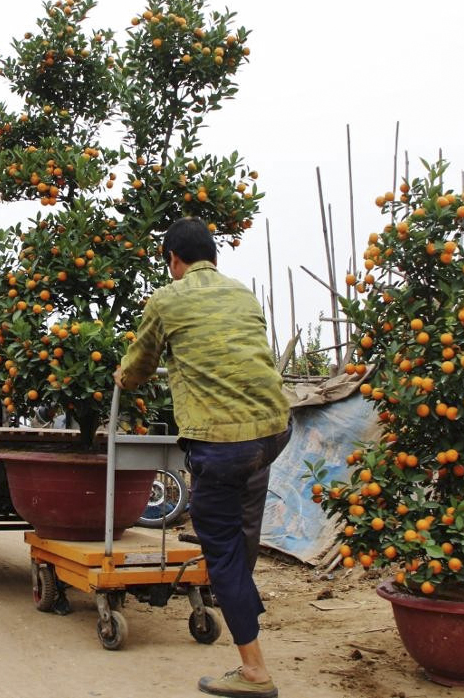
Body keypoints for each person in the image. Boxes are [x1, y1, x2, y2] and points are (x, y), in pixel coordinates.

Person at [114, 217, 291, 698]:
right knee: (240, 526)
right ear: (215, 256)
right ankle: (243, 595)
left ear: (173, 259)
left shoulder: (167, 299)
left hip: (222, 445)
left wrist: (121, 377)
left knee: (224, 549)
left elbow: (137, 366)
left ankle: (254, 669)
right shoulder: (243, 294)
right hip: (274, 430)